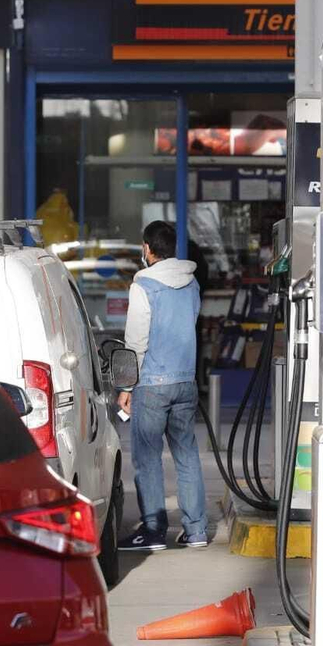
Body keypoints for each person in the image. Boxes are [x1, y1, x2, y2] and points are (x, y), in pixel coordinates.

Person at [117, 220, 208, 552]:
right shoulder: (192, 283)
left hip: (152, 383)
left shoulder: (143, 285)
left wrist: (126, 386)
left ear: (147, 249)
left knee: (147, 457)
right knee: (186, 455)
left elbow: (136, 340)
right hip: (186, 381)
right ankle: (196, 529)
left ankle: (154, 531)